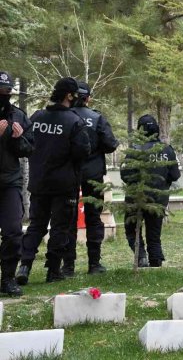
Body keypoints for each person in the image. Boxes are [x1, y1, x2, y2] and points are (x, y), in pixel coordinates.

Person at [17, 77, 90, 284]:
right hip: (64, 184)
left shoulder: (37, 116)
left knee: (36, 226)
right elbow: (82, 151)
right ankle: (53, 270)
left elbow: (26, 143)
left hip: (39, 182)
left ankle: (25, 265)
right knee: (60, 227)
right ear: (69, 95)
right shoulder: (74, 121)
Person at [64, 82, 119, 276]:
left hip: (68, 174)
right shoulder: (96, 118)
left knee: (68, 219)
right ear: (88, 98)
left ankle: (68, 266)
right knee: (94, 217)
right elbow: (111, 144)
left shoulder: (64, 117)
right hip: (93, 175)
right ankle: (94, 264)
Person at [121, 115, 181, 268]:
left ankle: (141, 258)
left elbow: (125, 175)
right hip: (158, 199)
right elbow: (175, 175)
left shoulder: (134, 150)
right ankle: (156, 262)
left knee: (132, 230)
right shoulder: (167, 150)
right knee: (154, 234)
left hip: (135, 198)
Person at [0, 72, 33, 296]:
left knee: (13, 232)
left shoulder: (18, 116)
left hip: (9, 182)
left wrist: (16, 138)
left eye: (7, 92)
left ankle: (8, 279)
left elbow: (29, 148)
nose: (4, 95)